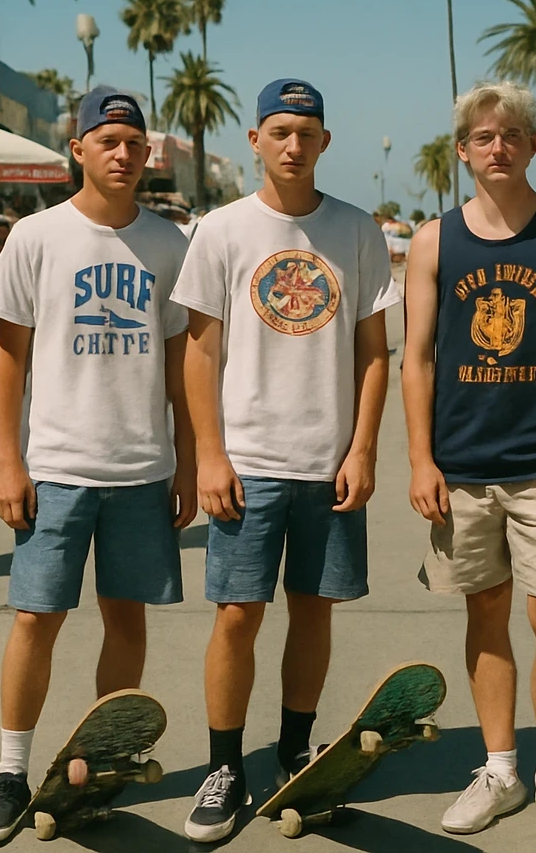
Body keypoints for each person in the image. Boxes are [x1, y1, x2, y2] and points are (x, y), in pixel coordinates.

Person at [0, 88, 196, 844]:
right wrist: (8, 461)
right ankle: (10, 770)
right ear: (80, 149)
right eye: (109, 141)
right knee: (37, 617)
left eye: (134, 143)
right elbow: (8, 361)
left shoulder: (169, 244)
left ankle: (102, 758)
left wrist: (189, 461)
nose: (124, 154)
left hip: (140, 468)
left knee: (125, 616)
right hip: (57, 465)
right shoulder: (35, 237)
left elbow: (180, 364)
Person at [174, 79, 399, 842]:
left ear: (325, 142)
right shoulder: (222, 230)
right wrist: (209, 454)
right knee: (238, 616)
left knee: (314, 610)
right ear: (255, 141)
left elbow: (375, 354)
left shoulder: (358, 230)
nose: (293, 145)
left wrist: (364, 447)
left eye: (306, 132)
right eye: (279, 132)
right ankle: (224, 766)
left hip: (329, 461)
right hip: (248, 460)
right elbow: (200, 354)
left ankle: (297, 749)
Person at [402, 82, 536, 846]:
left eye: (513, 135)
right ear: (463, 150)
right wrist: (421, 458)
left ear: (533, 146)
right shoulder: (434, 240)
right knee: (485, 612)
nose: (499, 147)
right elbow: (417, 358)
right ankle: (500, 766)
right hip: (460, 467)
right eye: (484, 137)